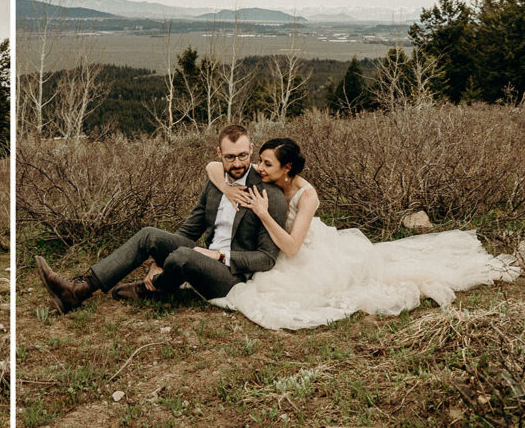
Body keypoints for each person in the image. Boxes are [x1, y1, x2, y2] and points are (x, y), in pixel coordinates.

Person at [203, 137, 521, 330]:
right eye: (258, 160)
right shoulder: (266, 180)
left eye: (266, 162)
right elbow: (212, 166)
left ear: (287, 168)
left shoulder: (307, 195)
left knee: (278, 292)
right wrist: (229, 192)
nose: (258, 167)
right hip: (277, 248)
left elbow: (293, 247)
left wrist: (262, 214)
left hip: (309, 253)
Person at [35, 124, 287, 312]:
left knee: (184, 255)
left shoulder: (269, 194)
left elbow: (266, 259)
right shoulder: (216, 183)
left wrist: (220, 256)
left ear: (252, 150)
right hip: (201, 256)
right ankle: (78, 289)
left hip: (231, 274)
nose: (237, 163)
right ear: (218, 153)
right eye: (230, 157)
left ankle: (152, 289)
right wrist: (159, 258)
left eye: (243, 155)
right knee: (149, 235)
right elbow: (189, 231)